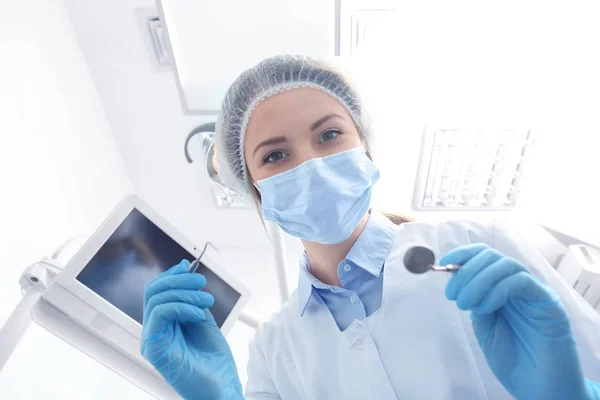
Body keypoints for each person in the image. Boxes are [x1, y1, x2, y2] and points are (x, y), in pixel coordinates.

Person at [140, 55, 600, 400]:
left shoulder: (478, 245)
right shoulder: (272, 350)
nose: (313, 164)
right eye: (275, 155)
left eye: (329, 135)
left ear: (365, 146)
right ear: (255, 190)